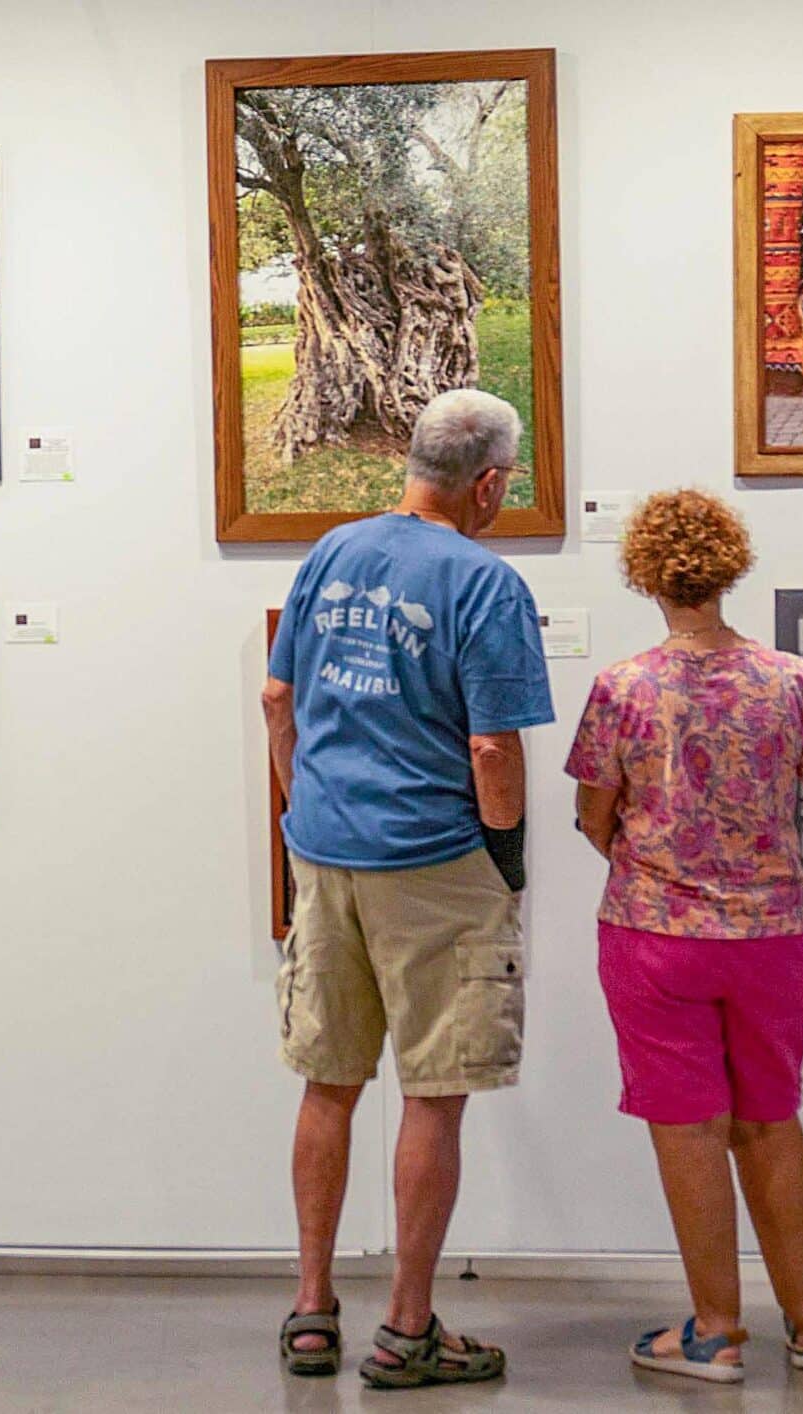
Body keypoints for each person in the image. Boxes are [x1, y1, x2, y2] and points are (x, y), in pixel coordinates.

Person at [261, 389, 552, 1389]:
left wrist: (310, 803)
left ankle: (309, 1310)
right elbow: (490, 748)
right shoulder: (485, 582)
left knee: (328, 1082)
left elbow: (276, 694)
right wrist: (504, 858)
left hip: (326, 852)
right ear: (488, 482)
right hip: (433, 860)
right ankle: (406, 1329)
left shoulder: (332, 551)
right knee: (434, 1093)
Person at [569, 488, 803, 1384]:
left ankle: (717, 1332)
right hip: (773, 933)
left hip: (656, 933)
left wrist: (647, 850)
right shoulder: (787, 677)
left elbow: (592, 815)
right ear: (730, 569)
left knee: (690, 1129)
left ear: (645, 575)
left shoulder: (622, 685)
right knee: (771, 1118)